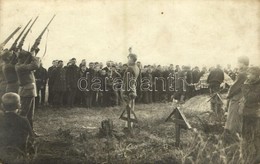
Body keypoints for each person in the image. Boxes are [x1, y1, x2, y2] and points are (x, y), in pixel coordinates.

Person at [224, 56, 249, 140]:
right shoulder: (249, 72)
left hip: (237, 97)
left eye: (239, 62)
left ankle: (232, 135)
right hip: (245, 97)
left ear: (243, 63)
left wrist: (228, 95)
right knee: (240, 116)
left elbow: (235, 87)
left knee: (233, 115)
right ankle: (238, 133)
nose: (237, 64)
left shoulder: (242, 74)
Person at [15, 50, 39, 131]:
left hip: (30, 92)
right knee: (23, 113)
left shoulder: (23, 66)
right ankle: (20, 131)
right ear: (22, 58)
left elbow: (32, 64)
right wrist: (32, 56)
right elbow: (36, 65)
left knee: (30, 115)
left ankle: (30, 131)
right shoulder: (19, 66)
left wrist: (33, 53)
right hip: (26, 92)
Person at [241, 66, 260, 164]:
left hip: (253, 113)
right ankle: (248, 154)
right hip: (249, 113)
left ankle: (255, 157)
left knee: (255, 135)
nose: (247, 76)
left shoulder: (252, 85)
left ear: (255, 75)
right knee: (247, 135)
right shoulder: (250, 83)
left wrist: (245, 86)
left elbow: (249, 98)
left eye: (249, 74)